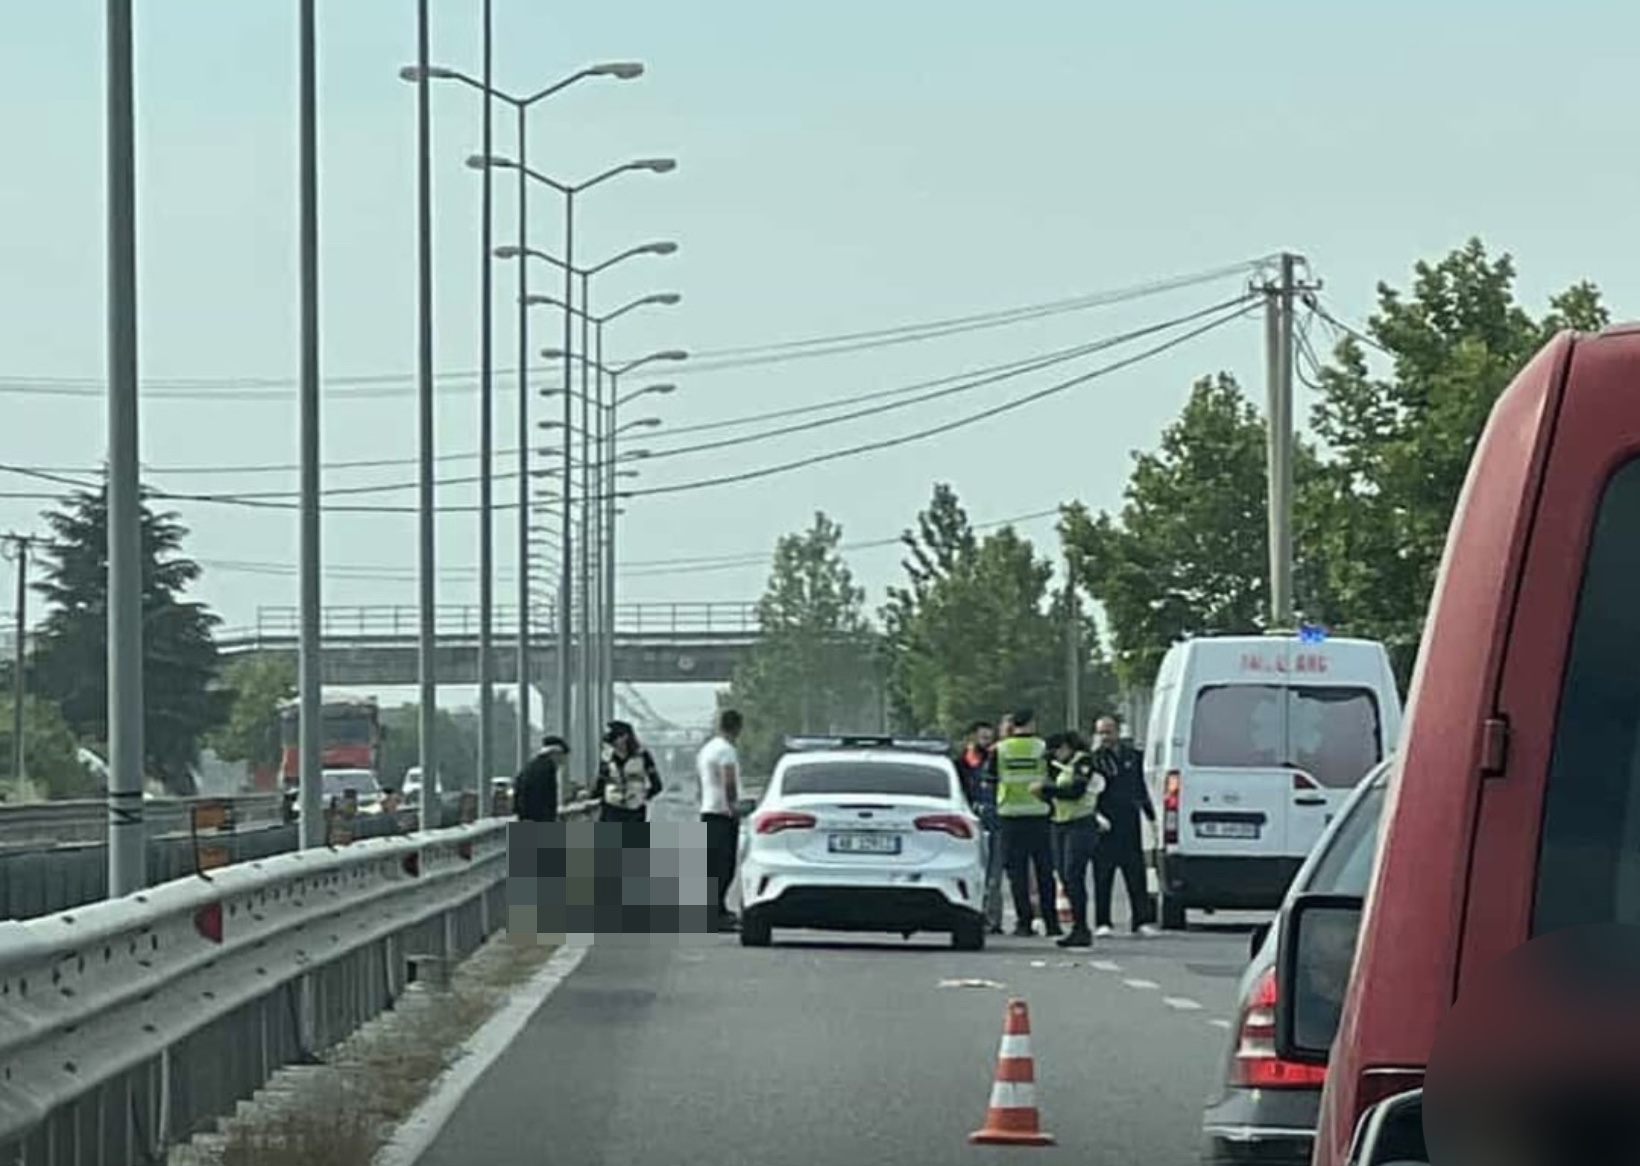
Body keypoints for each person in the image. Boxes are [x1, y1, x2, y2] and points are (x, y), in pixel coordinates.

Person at [991, 707, 1060, 938]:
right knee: (1045, 873)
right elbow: (1054, 777)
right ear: (1032, 723)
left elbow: (990, 779)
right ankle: (1052, 923)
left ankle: (1024, 923)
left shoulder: (1000, 749)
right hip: (1040, 816)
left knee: (1017, 875)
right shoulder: (1042, 747)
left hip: (1010, 817)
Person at [1036, 730, 1109, 948]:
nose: (1054, 756)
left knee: (1073, 874)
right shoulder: (1061, 766)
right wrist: (1044, 793)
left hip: (1081, 824)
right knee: (1064, 876)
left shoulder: (1083, 761)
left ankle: (1081, 928)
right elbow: (1058, 795)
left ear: (1066, 747)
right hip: (1060, 823)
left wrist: (1047, 789)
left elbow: (1076, 791)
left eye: (1056, 751)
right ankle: (1078, 927)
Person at [1089, 715, 1159, 937]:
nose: (1105, 736)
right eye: (1101, 732)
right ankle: (1103, 922)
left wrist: (1151, 817)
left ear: (1118, 732)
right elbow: (1089, 792)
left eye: (1108, 731)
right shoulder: (1094, 760)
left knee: (1135, 874)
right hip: (1104, 824)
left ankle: (1141, 921)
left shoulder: (1134, 757)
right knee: (1103, 875)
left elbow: (1141, 788)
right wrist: (1095, 815)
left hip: (1129, 821)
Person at [697, 708, 745, 933]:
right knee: (724, 866)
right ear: (737, 728)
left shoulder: (707, 749)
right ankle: (713, 914)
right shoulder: (727, 750)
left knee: (712, 866)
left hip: (708, 810)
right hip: (722, 814)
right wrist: (734, 806)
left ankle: (716, 910)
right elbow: (729, 781)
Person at [957, 720, 1005, 935]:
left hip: (995, 821)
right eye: (983, 738)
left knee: (994, 874)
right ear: (972, 738)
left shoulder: (997, 761)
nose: (987, 743)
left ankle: (992, 919)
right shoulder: (960, 764)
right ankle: (972, 915)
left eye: (990, 738)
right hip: (969, 823)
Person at [595, 720, 663, 823]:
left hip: (634, 811)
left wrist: (643, 796)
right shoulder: (607, 757)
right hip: (612, 810)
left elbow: (657, 785)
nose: (611, 743)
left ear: (625, 737)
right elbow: (601, 783)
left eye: (614, 738)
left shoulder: (642, 756)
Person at [514, 735, 570, 823]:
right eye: (562, 757)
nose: (562, 761)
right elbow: (545, 800)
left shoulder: (530, 767)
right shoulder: (548, 770)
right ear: (554, 754)